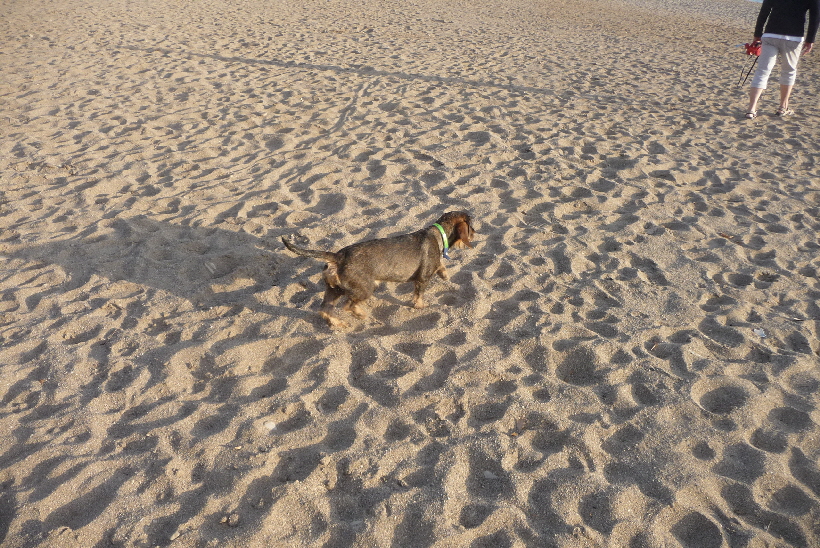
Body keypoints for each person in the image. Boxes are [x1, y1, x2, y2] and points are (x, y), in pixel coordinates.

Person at [745, 0, 820, 119]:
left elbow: (764, 11)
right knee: (788, 71)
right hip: (793, 37)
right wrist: (810, 40)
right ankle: (782, 107)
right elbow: (815, 16)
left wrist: (757, 35)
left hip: (771, 34)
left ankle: (751, 109)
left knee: (762, 71)